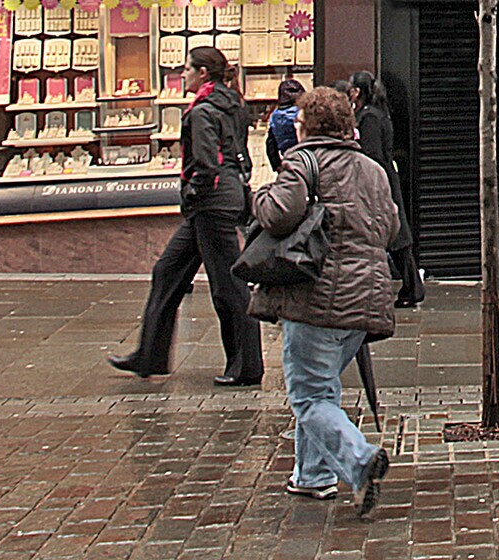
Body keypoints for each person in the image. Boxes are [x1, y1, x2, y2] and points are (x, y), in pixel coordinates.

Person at [251, 84, 396, 515]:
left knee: (310, 397)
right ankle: (312, 476)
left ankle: (360, 459)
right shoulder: (373, 170)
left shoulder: (302, 162)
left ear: (309, 126)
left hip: (315, 298)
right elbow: (388, 227)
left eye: (298, 122)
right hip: (364, 300)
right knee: (322, 388)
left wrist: (258, 195)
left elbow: (278, 214)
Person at [110, 44, 262, 386]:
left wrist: (195, 189)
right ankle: (149, 354)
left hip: (210, 204)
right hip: (220, 199)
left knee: (229, 287)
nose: (183, 74)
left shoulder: (201, 112)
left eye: (188, 68)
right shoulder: (234, 102)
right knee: (167, 271)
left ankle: (246, 365)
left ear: (203, 73)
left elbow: (206, 161)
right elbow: (239, 151)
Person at [347, 71, 425, 308]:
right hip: (384, 179)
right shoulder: (376, 113)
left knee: (396, 235)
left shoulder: (369, 117)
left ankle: (412, 287)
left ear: (357, 91)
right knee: (396, 233)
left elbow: (372, 154)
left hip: (379, 182)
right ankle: (411, 286)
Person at [266, 77, 306, 172]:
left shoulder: (275, 117)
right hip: (306, 159)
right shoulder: (303, 113)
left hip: (288, 160)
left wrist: (276, 166)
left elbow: (270, 145)